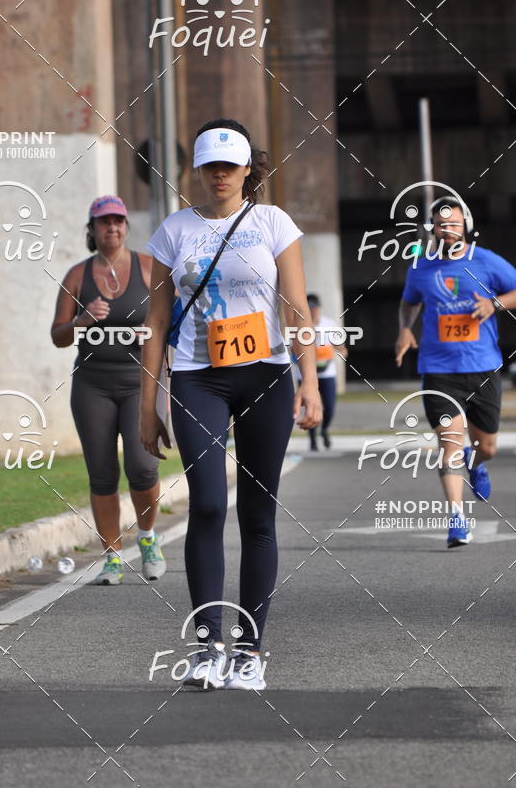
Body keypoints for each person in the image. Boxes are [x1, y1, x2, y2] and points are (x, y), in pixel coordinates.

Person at [140, 118, 321, 689]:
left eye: (230, 165)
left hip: (266, 375)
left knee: (258, 515)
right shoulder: (172, 231)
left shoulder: (272, 222)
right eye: (210, 166)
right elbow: (156, 322)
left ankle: (248, 651)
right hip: (199, 378)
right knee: (210, 505)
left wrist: (310, 380)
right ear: (197, 170)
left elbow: (295, 309)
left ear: (248, 170)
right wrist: (150, 405)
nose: (220, 175)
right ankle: (206, 646)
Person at [51, 196, 166, 584]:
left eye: (118, 221)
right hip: (92, 384)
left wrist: (149, 333)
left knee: (142, 465)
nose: (111, 228)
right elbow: (58, 336)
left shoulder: (148, 268)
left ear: (126, 227)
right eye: (104, 223)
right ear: (92, 229)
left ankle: (148, 538)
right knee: (102, 473)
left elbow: (173, 320)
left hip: (139, 382)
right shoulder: (76, 276)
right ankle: (113, 556)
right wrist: (82, 320)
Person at [395, 195, 516, 548]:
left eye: (454, 224)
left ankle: (476, 463)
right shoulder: (421, 267)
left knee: (488, 446)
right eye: (441, 224)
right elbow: (409, 302)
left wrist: (495, 303)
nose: (447, 230)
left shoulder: (485, 261)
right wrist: (405, 329)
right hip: (438, 370)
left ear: (465, 227)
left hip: (483, 368)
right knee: (448, 444)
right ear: (432, 228)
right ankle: (457, 520)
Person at [306, 294, 347, 451]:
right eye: (309, 308)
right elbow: (290, 347)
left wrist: (341, 350)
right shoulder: (299, 324)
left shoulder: (329, 324)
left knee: (329, 406)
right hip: (307, 375)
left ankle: (324, 429)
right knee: (311, 408)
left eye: (315, 308)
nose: (313, 311)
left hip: (327, 373)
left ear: (319, 308)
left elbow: (340, 347)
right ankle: (312, 440)